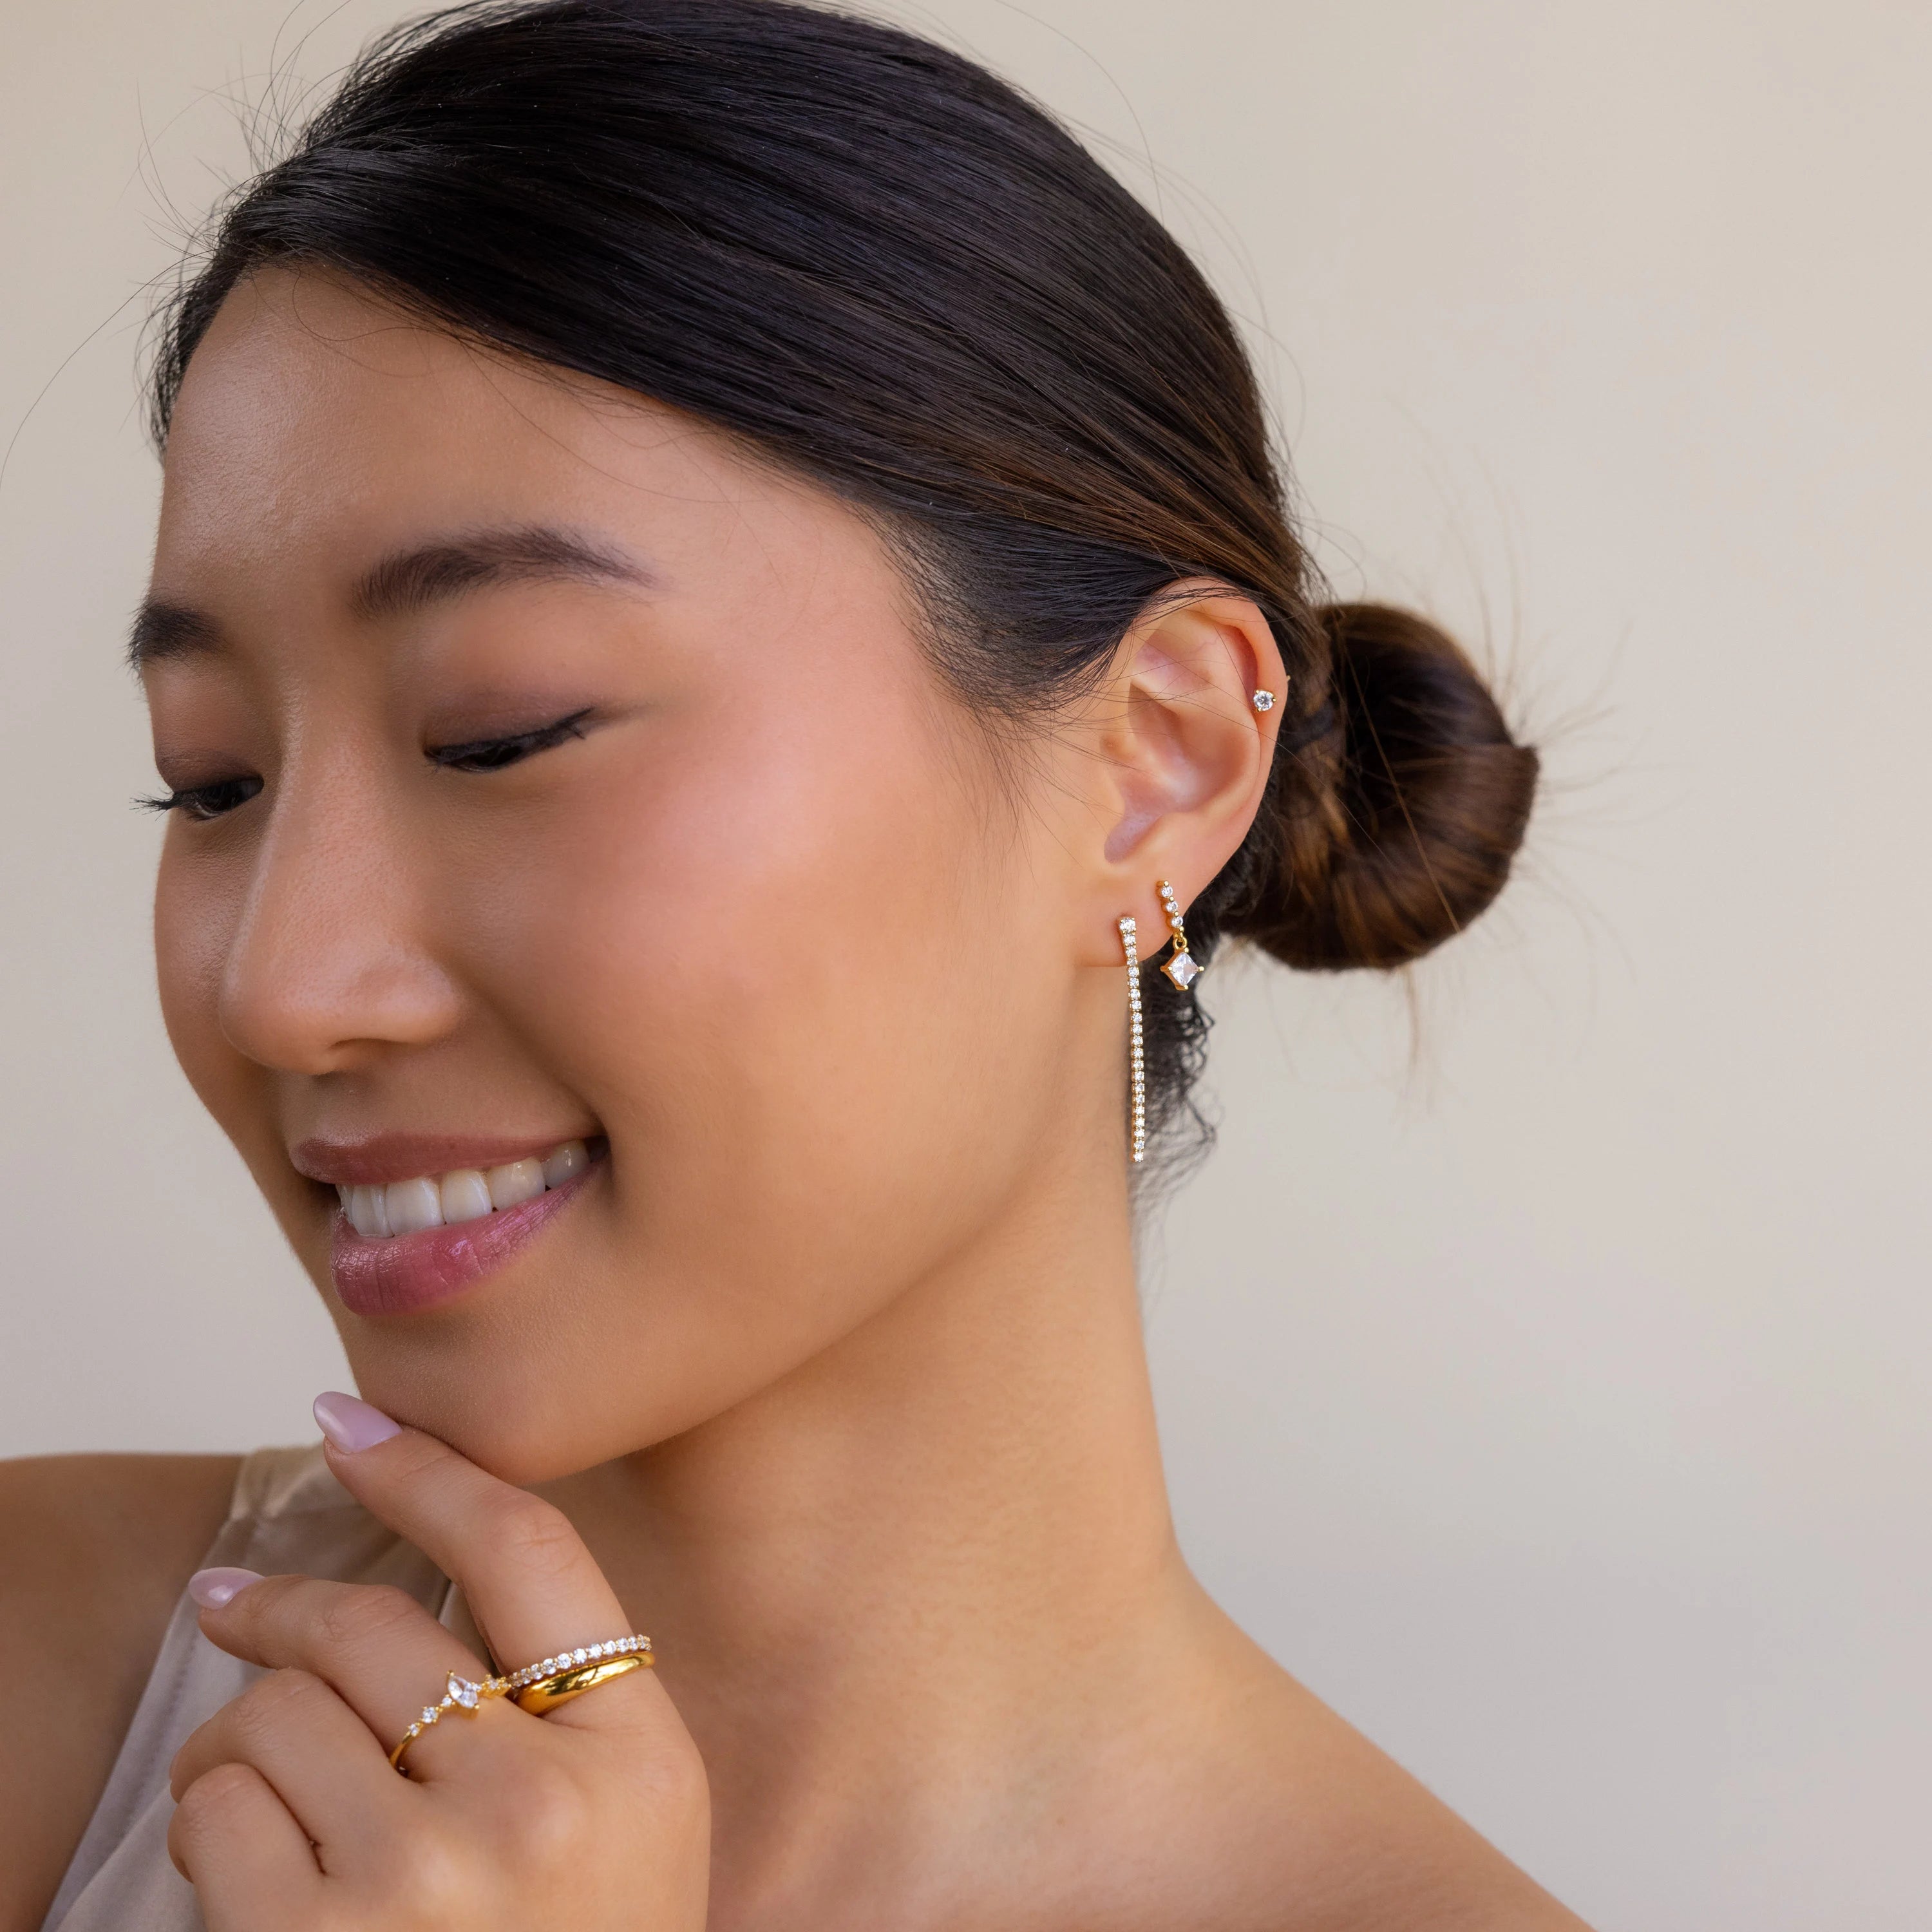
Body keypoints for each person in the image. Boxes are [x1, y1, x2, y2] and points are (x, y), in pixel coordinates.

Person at [1, 2, 1569, 1925]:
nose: (282, 983)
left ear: (1157, 768)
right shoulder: (51, 1679)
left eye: (506, 731)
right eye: (211, 781)